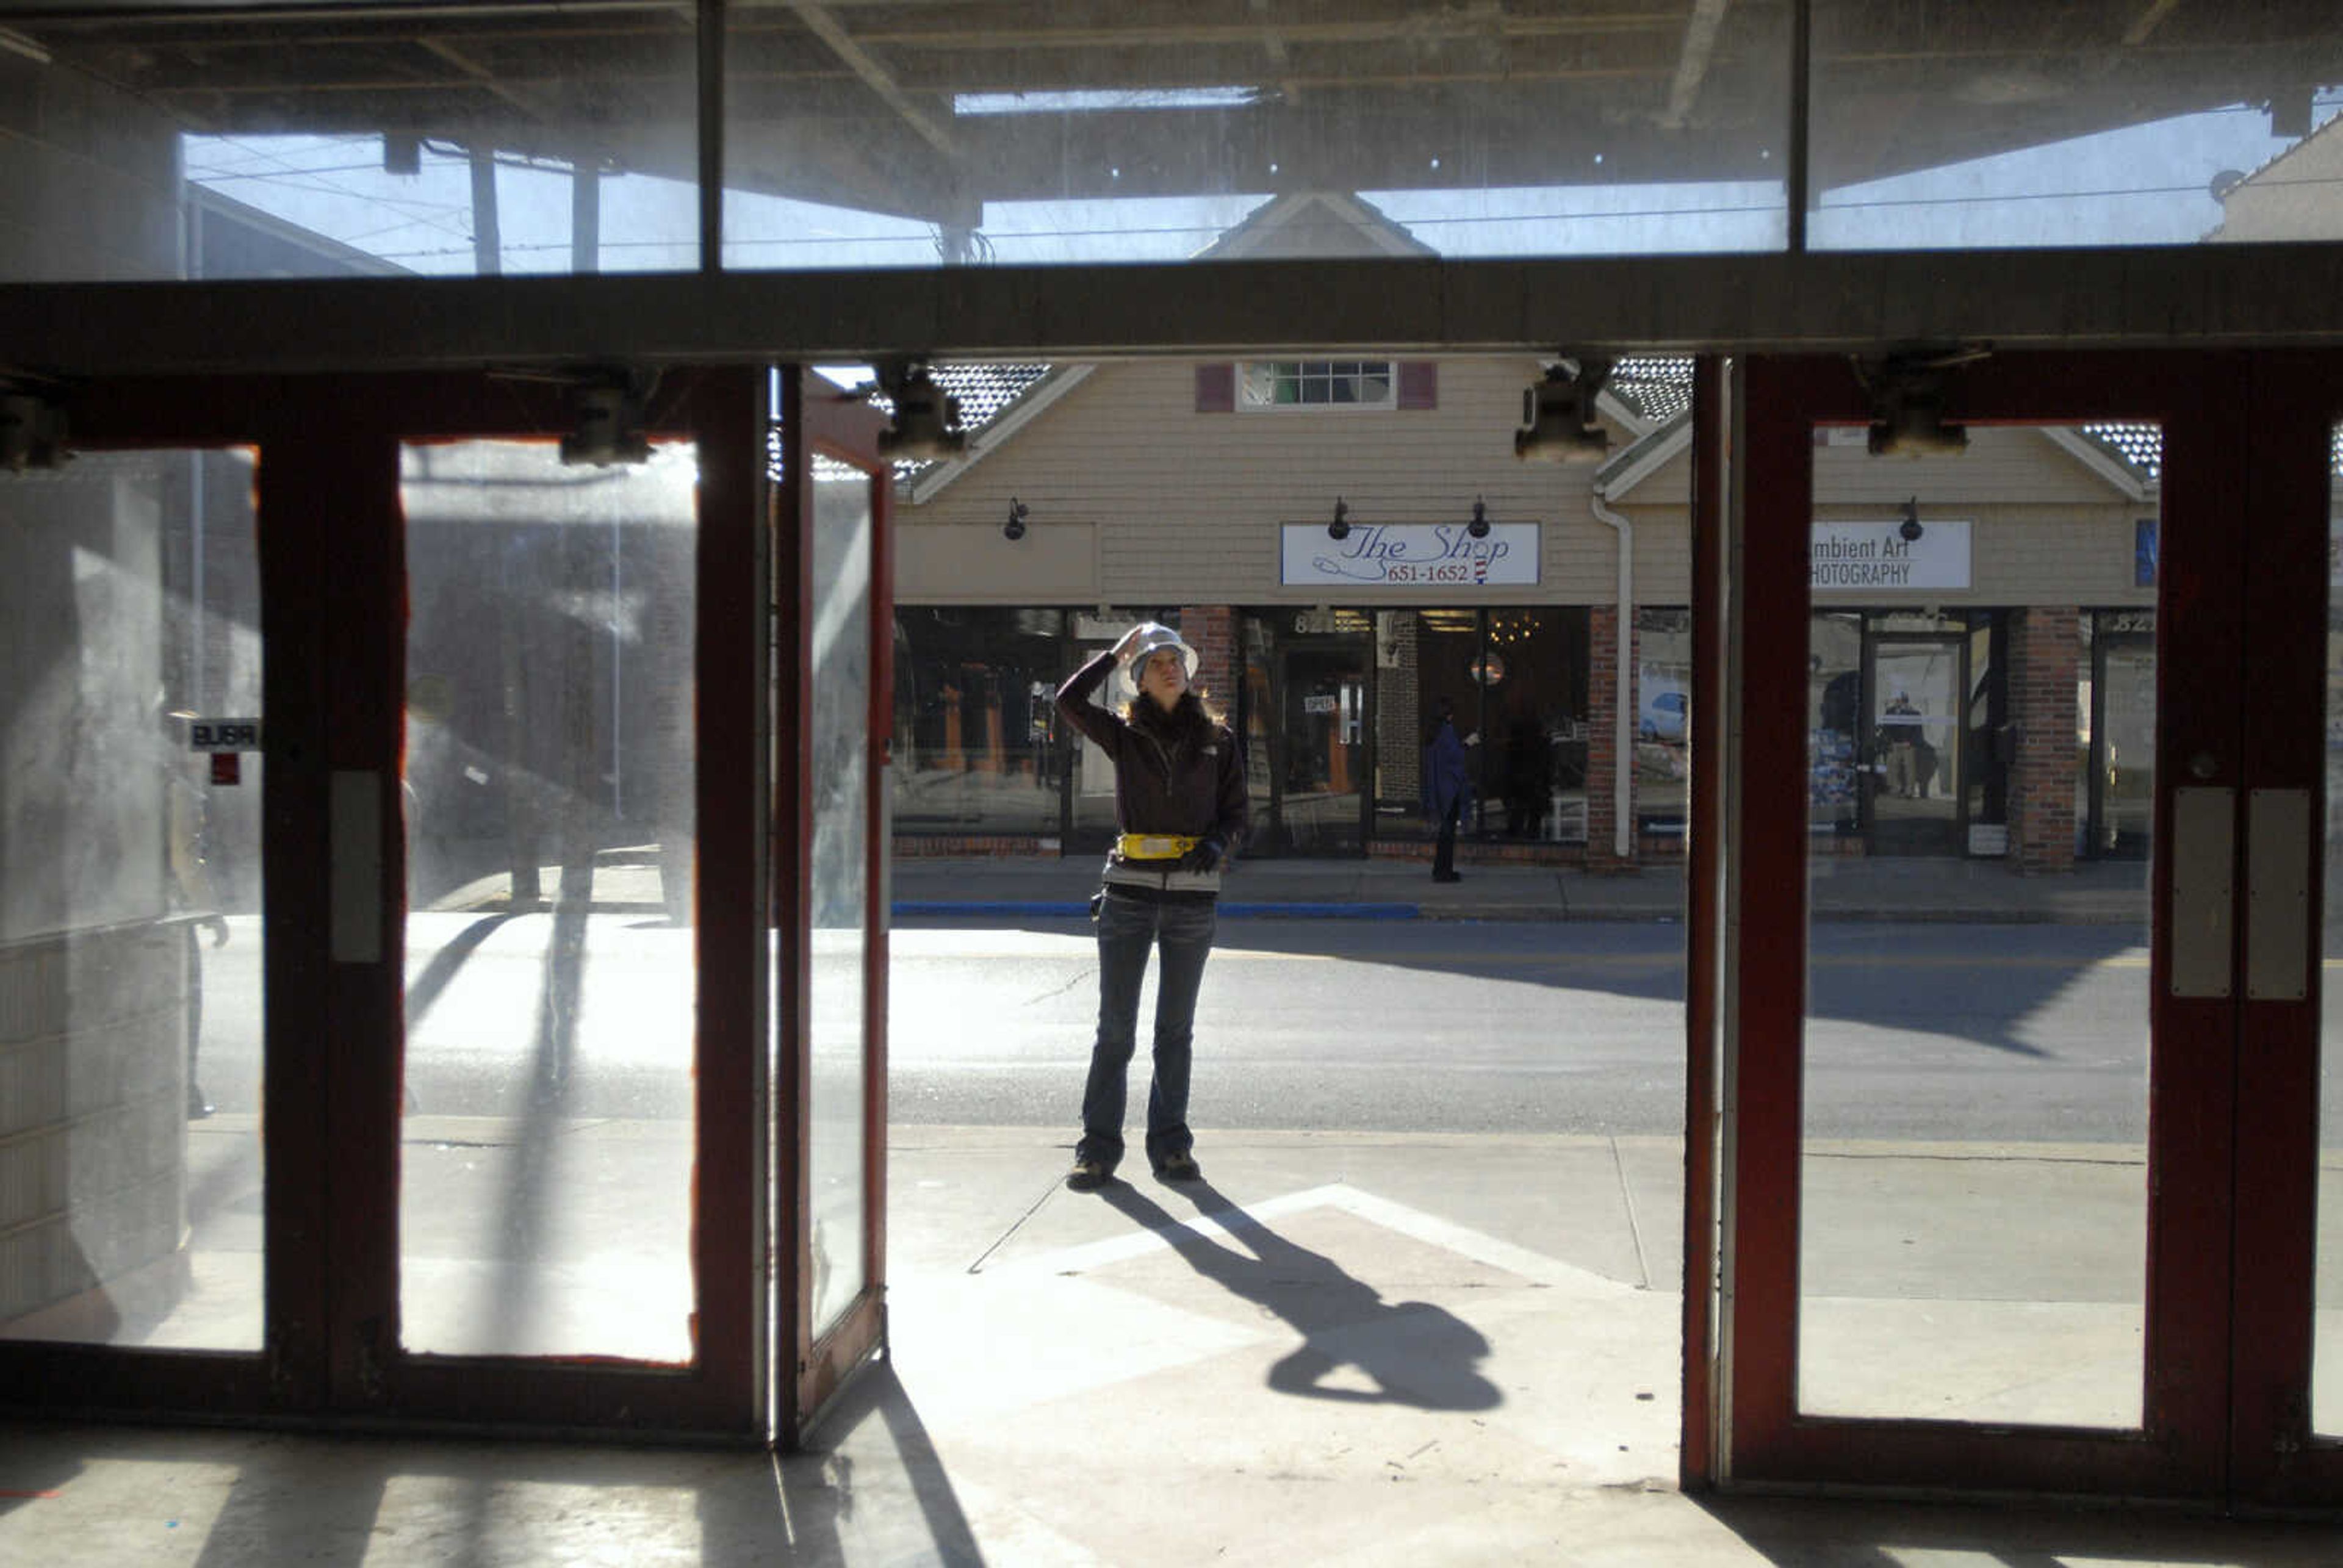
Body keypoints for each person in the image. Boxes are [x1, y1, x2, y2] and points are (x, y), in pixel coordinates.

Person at [1055, 622, 1248, 1190]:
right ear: (1139, 678)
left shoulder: (1219, 741)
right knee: (1115, 1031)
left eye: (1176, 659)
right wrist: (1115, 653)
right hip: (1128, 899)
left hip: (1192, 903)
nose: (1170, 665)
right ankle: (1097, 1149)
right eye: (1158, 659)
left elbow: (1237, 814)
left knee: (1175, 1031)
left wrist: (1218, 844)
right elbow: (1068, 700)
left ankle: (1171, 1147)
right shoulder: (1123, 735)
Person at [1422, 697, 1474, 882]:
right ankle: (1444, 872)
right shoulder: (1447, 731)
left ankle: (1440, 870)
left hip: (1438, 786)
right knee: (1447, 833)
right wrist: (1469, 742)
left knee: (1443, 833)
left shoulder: (1432, 733)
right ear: (1449, 715)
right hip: (1449, 788)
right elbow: (1456, 757)